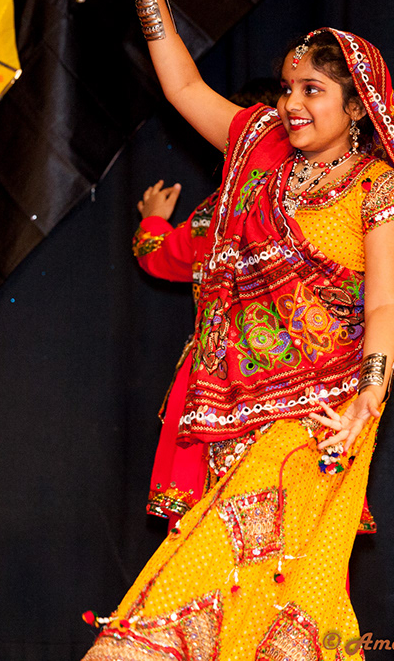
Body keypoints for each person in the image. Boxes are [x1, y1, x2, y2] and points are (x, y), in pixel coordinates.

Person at [84, 0, 394, 659]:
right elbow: (182, 86)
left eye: (312, 91)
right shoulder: (259, 148)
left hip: (320, 419)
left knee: (214, 585)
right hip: (232, 410)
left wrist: (370, 395)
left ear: (358, 105)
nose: (292, 105)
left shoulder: (382, 190)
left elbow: (382, 302)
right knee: (279, 600)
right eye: (286, 89)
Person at [133, 80, 294, 525]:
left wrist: (152, 220)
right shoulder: (317, 204)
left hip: (215, 384)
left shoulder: (215, 215)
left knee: (204, 534)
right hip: (288, 378)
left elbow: (157, 254)